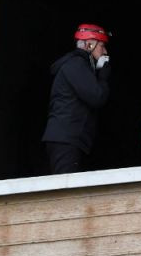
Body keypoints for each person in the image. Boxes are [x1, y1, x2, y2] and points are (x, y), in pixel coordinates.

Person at [43, 23, 111, 174]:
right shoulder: (76, 65)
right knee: (65, 191)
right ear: (89, 44)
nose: (105, 52)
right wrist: (103, 75)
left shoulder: (79, 65)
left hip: (69, 138)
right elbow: (97, 97)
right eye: (102, 46)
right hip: (66, 139)